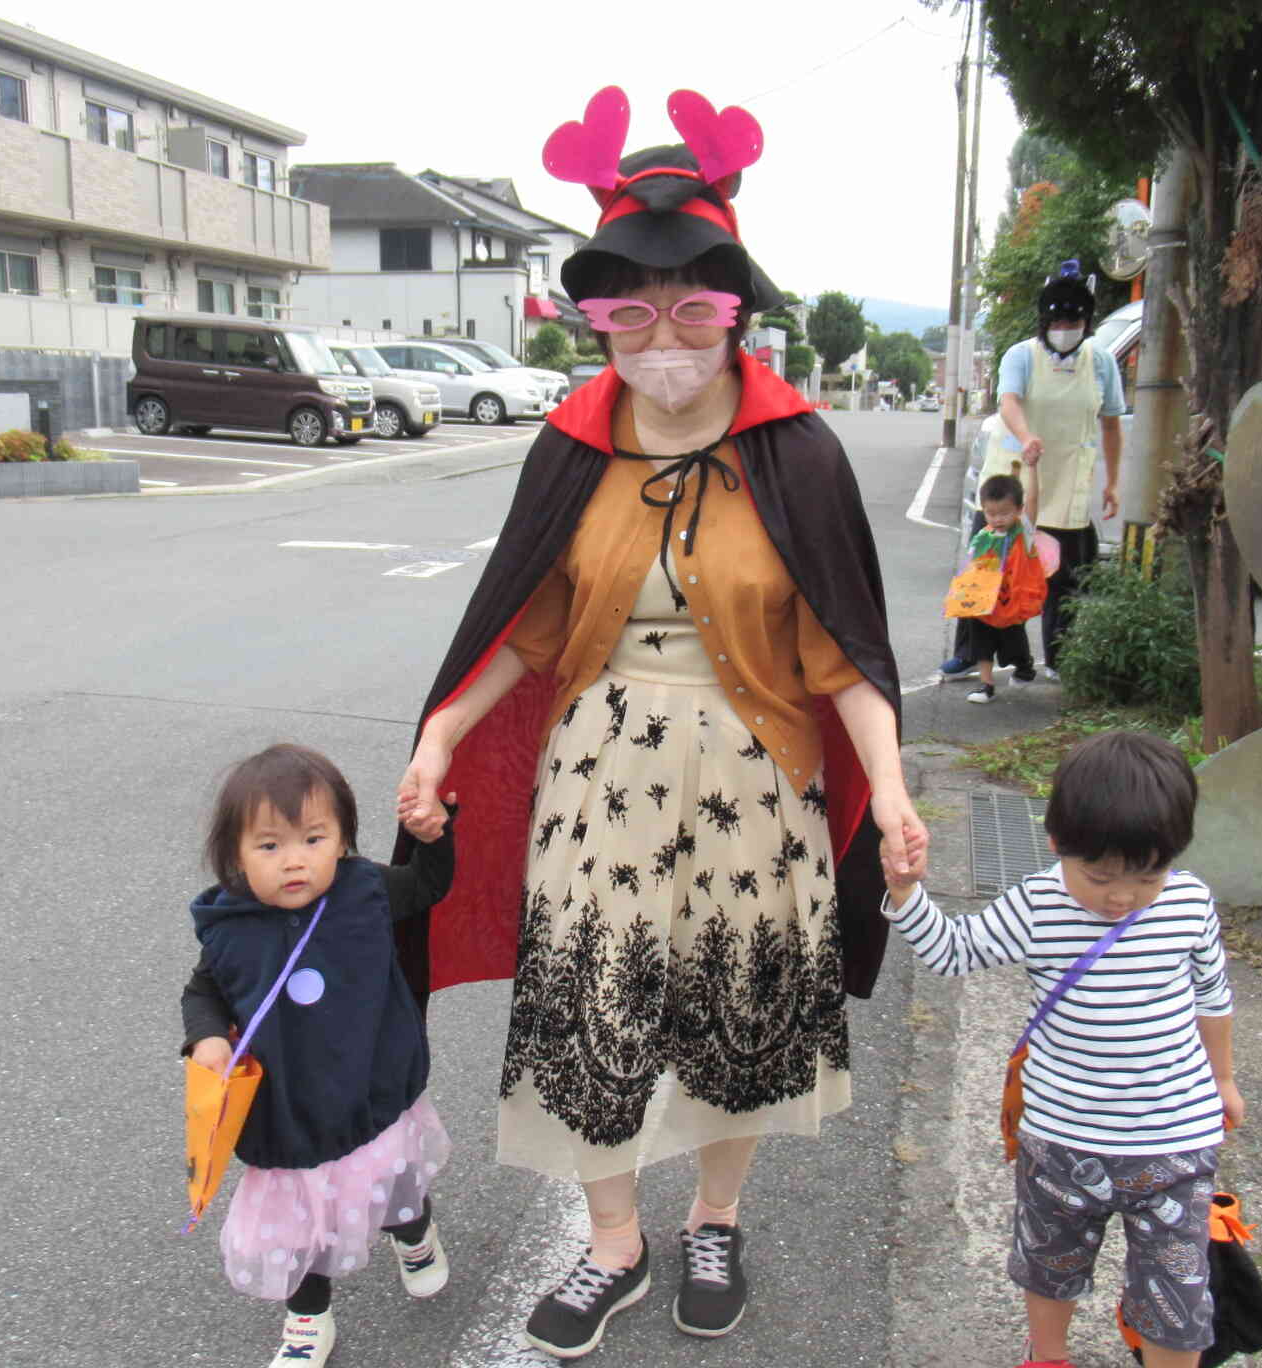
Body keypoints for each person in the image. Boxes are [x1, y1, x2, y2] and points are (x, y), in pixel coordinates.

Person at [393, 86, 929, 1359]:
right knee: (589, 1002)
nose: (662, 335)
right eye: (628, 309)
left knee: (735, 1007)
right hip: (599, 772)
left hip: (758, 769)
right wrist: (442, 734)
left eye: (693, 305)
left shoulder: (798, 453)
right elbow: (523, 627)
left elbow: (842, 651)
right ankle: (614, 1243)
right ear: (598, 321)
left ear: (734, 309)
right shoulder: (571, 447)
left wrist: (893, 794)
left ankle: (716, 1220)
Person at [880, 731, 1242, 1368]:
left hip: (1174, 1141)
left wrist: (1225, 1080)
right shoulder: (1040, 904)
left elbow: (1212, 995)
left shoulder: (1190, 902)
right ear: (1056, 843)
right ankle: (1047, 1356)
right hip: (1062, 1139)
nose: (1121, 896)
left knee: (1177, 1296)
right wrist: (908, 893)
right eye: (1098, 876)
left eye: (1147, 875)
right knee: (1051, 1265)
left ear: (1174, 856)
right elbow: (953, 951)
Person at [181, 742, 457, 1365]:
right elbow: (204, 989)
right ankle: (309, 1321)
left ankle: (415, 1236)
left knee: (394, 1187)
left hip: (371, 1088)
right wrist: (206, 1038)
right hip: (289, 1112)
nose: (295, 861)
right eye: (269, 846)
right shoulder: (231, 926)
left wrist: (434, 834)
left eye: (314, 838)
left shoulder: (365, 890)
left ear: (342, 841)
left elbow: (429, 885)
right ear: (235, 856)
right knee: (299, 1227)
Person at [945, 261, 1124, 681]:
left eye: (1074, 319)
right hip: (1011, 480)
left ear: (1086, 321)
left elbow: (1112, 421)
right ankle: (972, 652)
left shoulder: (1101, 363)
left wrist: (1113, 482)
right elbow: (1009, 401)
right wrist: (1026, 437)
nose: (1065, 327)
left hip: (1067, 482)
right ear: (1044, 321)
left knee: (1062, 576)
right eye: (1058, 319)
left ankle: (1060, 656)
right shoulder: (1020, 356)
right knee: (987, 570)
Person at [955, 472, 1040, 705]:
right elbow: (970, 567)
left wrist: (1033, 469)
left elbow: (1033, 501)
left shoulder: (1023, 534)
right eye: (991, 513)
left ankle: (1024, 666)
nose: (998, 519)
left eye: (1005, 513)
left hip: (1010, 602)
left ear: (1019, 509)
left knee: (1014, 642)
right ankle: (987, 684)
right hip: (983, 602)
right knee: (981, 642)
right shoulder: (983, 536)